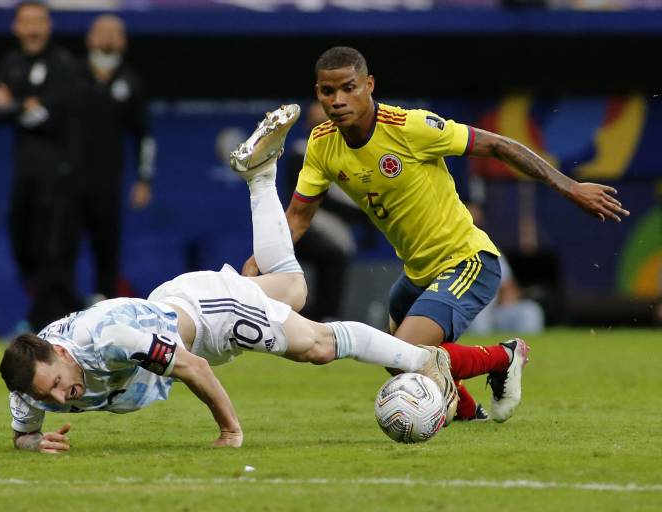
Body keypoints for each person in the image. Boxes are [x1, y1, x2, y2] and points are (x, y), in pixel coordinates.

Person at [0, 105, 461, 453]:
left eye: (58, 383)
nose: (63, 395)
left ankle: (423, 360)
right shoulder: (31, 380)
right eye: (50, 394)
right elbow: (23, 433)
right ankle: (260, 176)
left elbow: (193, 369)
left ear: (61, 352)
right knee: (292, 289)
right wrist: (35, 444)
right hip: (175, 303)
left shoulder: (111, 339)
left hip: (207, 320)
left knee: (316, 346)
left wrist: (229, 431)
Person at [241, 47, 629, 422]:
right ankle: (466, 413)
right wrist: (261, 260)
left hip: (468, 261)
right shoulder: (322, 144)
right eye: (329, 91)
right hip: (417, 274)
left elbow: (498, 144)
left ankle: (504, 356)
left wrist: (569, 187)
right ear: (318, 94)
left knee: (404, 350)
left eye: (349, 87)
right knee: (397, 362)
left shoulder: (412, 128)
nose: (338, 99)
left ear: (369, 85)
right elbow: (297, 219)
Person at [0, 1, 82, 331]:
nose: (32, 28)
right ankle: (77, 308)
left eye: (38, 21)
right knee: (23, 243)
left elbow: (54, 115)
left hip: (58, 171)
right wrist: (22, 106)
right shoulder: (10, 63)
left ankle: (44, 322)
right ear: (16, 27)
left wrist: (13, 105)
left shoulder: (64, 63)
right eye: (25, 21)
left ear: (49, 25)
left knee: (52, 249)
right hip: (24, 170)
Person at [76, 14, 156, 300]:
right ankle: (57, 312)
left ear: (123, 41)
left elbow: (144, 136)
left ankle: (103, 306)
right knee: (59, 249)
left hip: (107, 183)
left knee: (107, 248)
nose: (108, 38)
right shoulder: (72, 77)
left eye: (114, 32)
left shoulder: (130, 82)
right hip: (67, 181)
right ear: (90, 38)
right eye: (102, 32)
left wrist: (144, 179)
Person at [283, 101, 363, 322]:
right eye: (316, 123)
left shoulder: (346, 153)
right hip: (306, 223)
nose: (321, 128)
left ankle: (327, 315)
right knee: (333, 254)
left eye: (326, 123)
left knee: (337, 253)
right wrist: (356, 214)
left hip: (337, 226)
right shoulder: (301, 152)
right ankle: (323, 316)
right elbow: (313, 197)